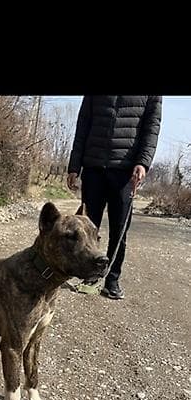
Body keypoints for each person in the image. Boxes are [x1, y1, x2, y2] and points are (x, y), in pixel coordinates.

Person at [67, 95, 162, 299]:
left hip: (126, 171)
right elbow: (83, 123)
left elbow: (151, 127)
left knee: (119, 229)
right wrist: (74, 165)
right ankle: (90, 275)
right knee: (88, 228)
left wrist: (143, 163)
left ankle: (112, 280)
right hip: (93, 167)